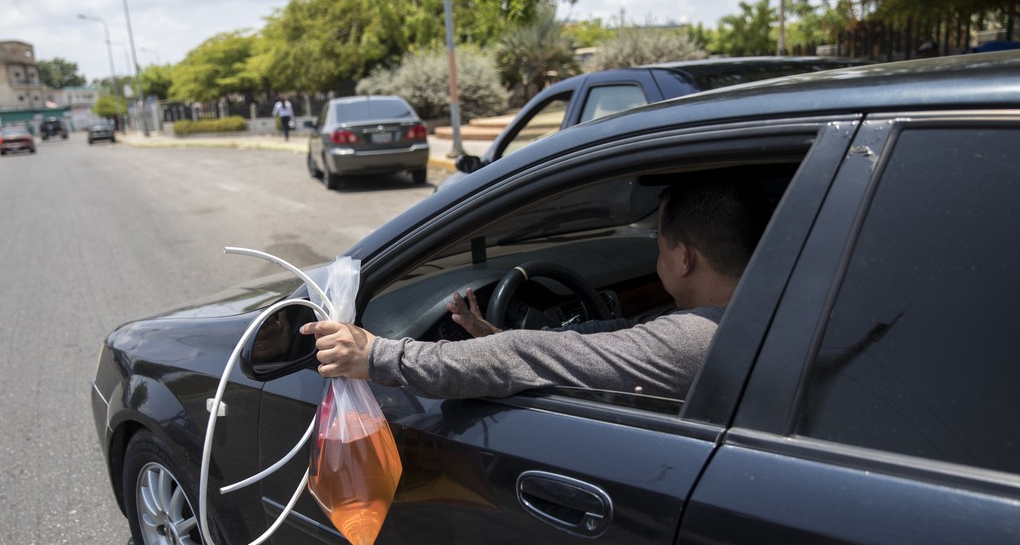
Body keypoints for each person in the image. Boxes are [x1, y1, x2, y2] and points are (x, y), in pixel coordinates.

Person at [301, 172, 772, 401]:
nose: (657, 255)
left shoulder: (701, 340)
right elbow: (616, 335)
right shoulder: (765, 312)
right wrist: (495, 336)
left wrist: (378, 355)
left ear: (684, 258)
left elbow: (525, 357)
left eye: (661, 244)